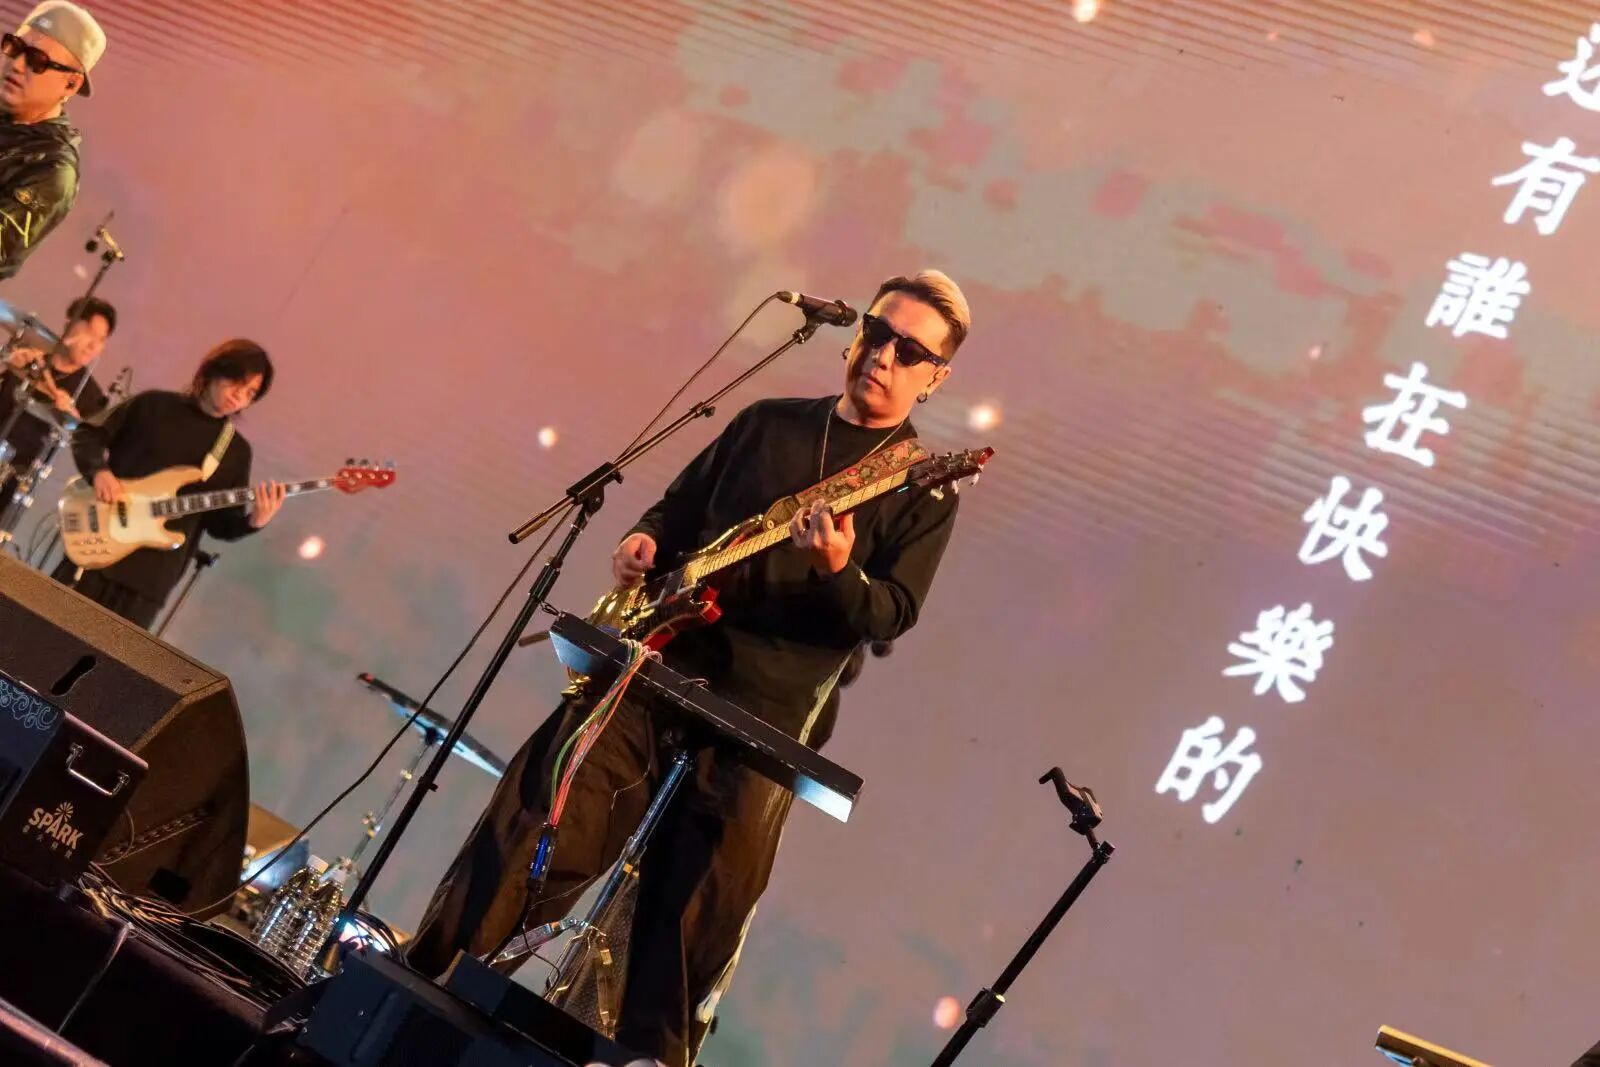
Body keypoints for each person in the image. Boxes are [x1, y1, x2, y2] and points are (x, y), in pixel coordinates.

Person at [407, 270, 972, 1065]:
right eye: (877, 332)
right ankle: (420, 996)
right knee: (538, 822)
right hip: (656, 666)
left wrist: (839, 569)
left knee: (690, 917)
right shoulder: (767, 422)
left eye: (909, 351)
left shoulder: (920, 488)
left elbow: (890, 615)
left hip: (762, 720)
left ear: (935, 377)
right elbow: (677, 510)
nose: (883, 354)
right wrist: (642, 539)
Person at [52, 339, 286, 629]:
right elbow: (87, 434)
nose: (239, 396)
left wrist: (254, 521)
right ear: (214, 371)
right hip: (97, 550)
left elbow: (220, 524)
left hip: (149, 582)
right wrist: (99, 472)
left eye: (250, 393)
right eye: (237, 382)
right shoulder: (153, 405)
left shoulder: (235, 452)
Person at [0, 2, 105, 280]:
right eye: (15, 48)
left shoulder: (52, 169)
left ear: (71, 84)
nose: (17, 65)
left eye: (37, 61)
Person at [0, 294, 115, 504]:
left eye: (101, 340)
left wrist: (72, 420)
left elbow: (86, 447)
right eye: (89, 333)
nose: (93, 346)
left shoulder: (91, 398)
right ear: (70, 324)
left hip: (12, 478)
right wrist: (7, 361)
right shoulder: (32, 350)